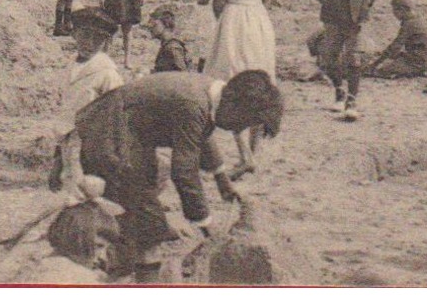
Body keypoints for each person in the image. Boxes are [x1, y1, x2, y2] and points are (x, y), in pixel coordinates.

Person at [69, 70, 281, 283]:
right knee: (144, 212)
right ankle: (143, 278)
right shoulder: (193, 104)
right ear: (233, 104)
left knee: (142, 207)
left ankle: (124, 258)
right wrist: (205, 224)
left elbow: (200, 135)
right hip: (108, 135)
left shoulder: (212, 93)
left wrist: (222, 180)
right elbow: (183, 172)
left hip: (130, 134)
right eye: (242, 122)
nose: (238, 129)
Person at [206, 0, 279, 176]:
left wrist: (221, 23)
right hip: (258, 19)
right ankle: (254, 150)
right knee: (259, 82)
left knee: (232, 83)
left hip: (235, 17)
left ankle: (245, 154)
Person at [63, 7, 125, 133]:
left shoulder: (107, 73)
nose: (89, 43)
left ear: (107, 42)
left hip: (94, 140)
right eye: (85, 36)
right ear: (74, 34)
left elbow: (118, 114)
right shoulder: (71, 64)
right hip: (68, 136)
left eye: (98, 39)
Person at [146, 5, 192, 73]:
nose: (150, 26)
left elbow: (183, 75)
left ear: (166, 23)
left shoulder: (172, 47)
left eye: (154, 23)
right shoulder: (167, 45)